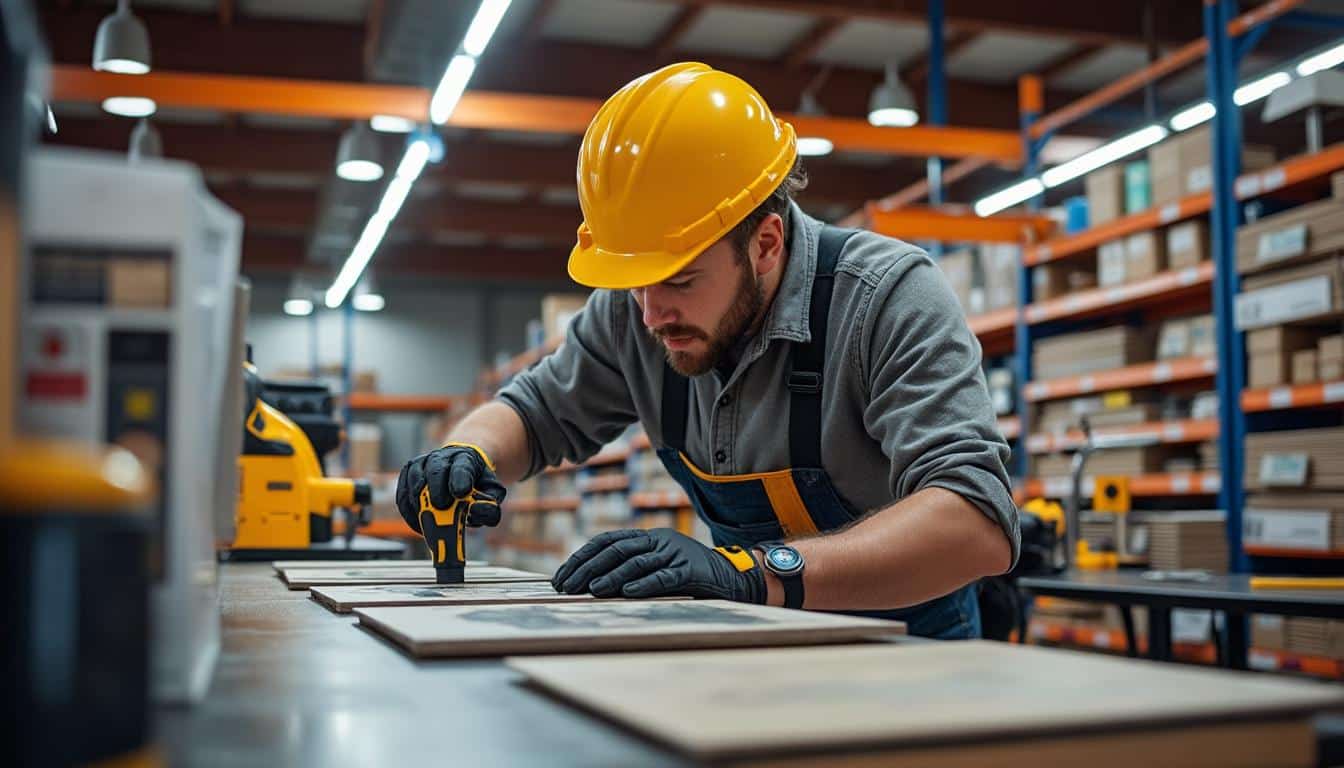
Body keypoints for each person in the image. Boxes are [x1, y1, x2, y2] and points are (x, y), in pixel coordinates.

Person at [396, 62, 1019, 639]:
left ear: (766, 244)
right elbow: (534, 413)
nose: (649, 312)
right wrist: (466, 451)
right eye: (636, 281)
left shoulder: (885, 298)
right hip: (747, 646)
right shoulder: (636, 312)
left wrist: (751, 573)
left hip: (912, 659)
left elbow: (975, 523)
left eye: (680, 280)